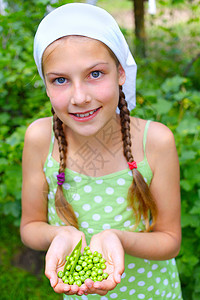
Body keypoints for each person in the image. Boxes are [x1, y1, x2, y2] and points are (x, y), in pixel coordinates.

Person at [20, 3, 182, 299]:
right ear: (45, 85)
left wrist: (117, 238)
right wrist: (61, 234)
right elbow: (31, 226)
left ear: (121, 72)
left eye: (95, 74)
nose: (80, 97)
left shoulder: (155, 141)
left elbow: (170, 240)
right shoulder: (40, 139)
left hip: (152, 292)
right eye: (60, 80)